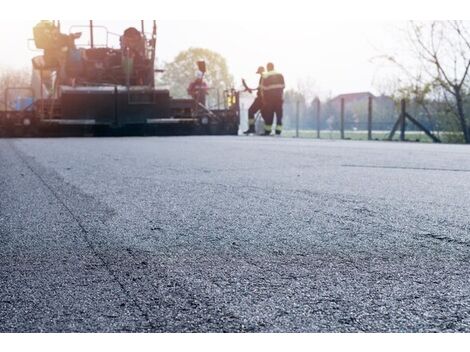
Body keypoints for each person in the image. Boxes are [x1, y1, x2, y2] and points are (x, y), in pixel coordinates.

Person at [261, 62, 285, 135]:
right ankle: (278, 131)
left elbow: (263, 89)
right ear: (273, 67)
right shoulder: (280, 75)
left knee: (269, 115)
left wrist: (264, 100)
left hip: (269, 99)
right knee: (279, 115)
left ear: (268, 67)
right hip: (279, 98)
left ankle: (268, 131)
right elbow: (283, 86)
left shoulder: (265, 76)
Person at [243, 66, 265, 135]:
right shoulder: (264, 77)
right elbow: (258, 88)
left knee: (251, 111)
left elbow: (259, 88)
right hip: (264, 98)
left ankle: (252, 128)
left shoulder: (263, 77)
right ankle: (266, 130)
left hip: (261, 99)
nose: (259, 73)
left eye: (259, 72)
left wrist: (249, 88)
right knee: (265, 114)